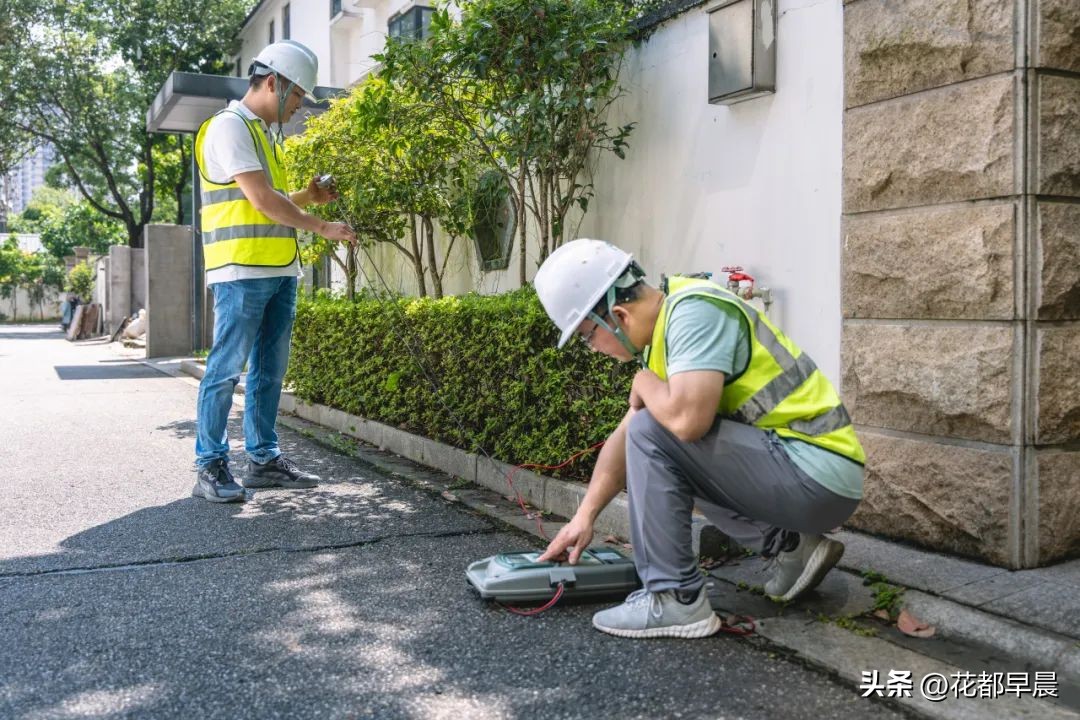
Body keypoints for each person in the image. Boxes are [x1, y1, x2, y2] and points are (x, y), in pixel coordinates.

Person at [532, 239, 865, 639]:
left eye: (587, 337)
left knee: (657, 429)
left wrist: (643, 383)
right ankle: (793, 547)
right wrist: (583, 517)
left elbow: (686, 422)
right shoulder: (666, 337)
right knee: (657, 436)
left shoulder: (694, 313)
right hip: (805, 472)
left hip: (817, 472)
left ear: (616, 316)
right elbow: (623, 443)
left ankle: (676, 598)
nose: (593, 349)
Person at [192, 40, 356, 503]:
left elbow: (270, 201)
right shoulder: (230, 127)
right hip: (241, 270)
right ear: (272, 84)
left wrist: (307, 198)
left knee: (269, 372)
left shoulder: (263, 134)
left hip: (279, 270)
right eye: (299, 96)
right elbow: (262, 202)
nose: (301, 105)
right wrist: (324, 227)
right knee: (225, 370)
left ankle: (263, 461)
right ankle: (209, 465)